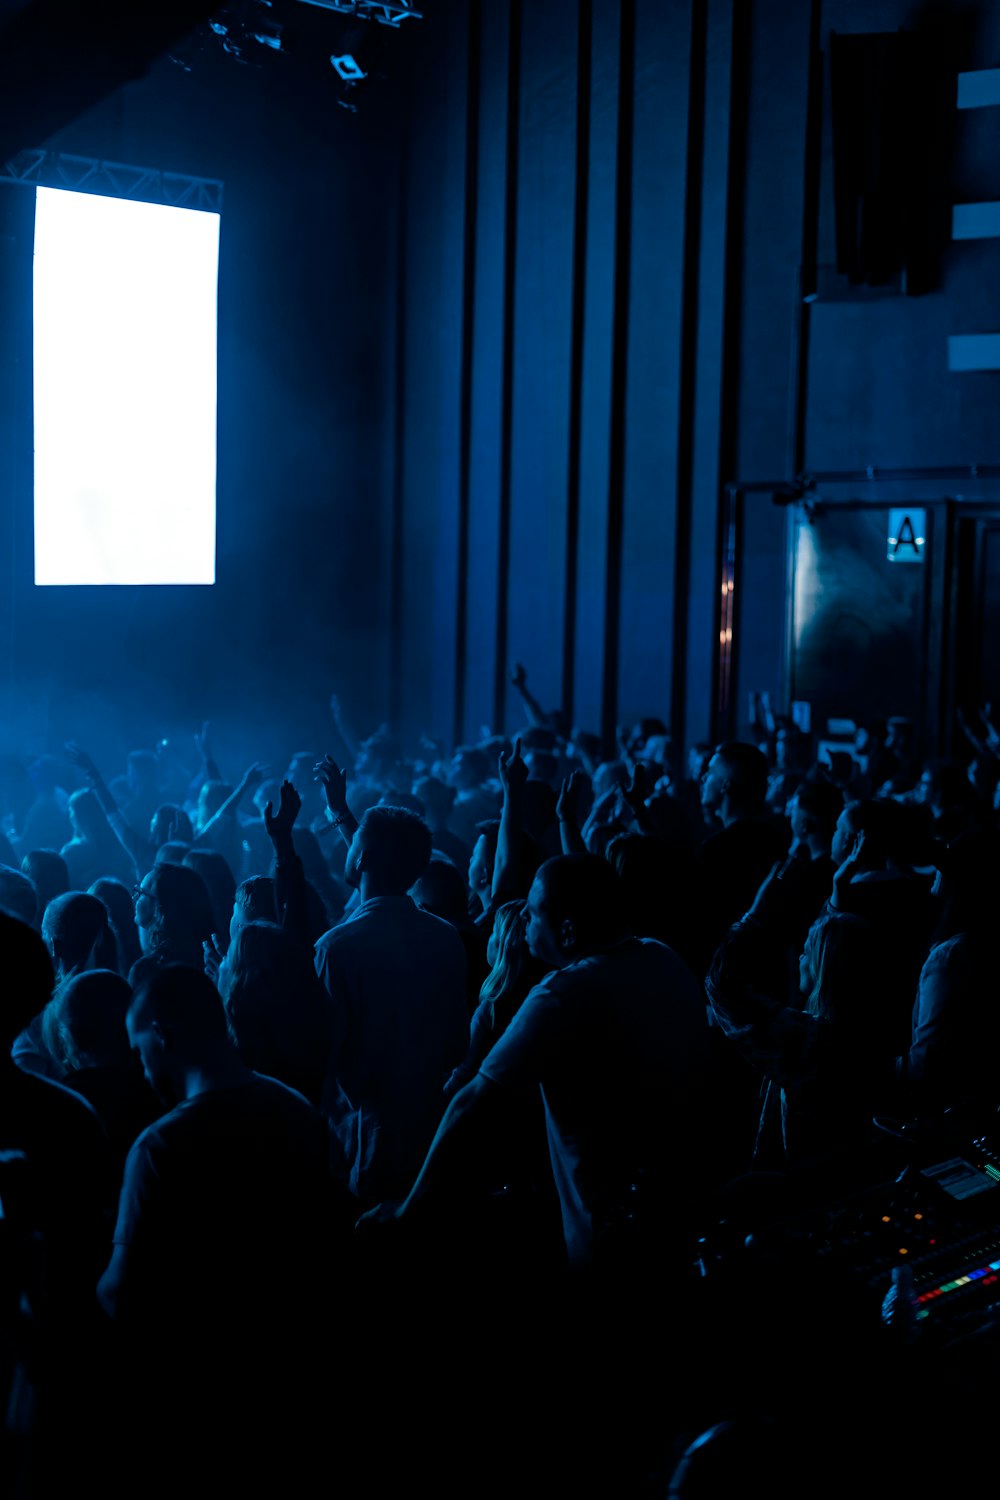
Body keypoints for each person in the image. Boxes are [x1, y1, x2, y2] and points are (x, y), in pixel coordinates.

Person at [97, 964, 346, 1492]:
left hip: (201, 1395)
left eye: (140, 1051)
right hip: (299, 1379)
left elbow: (123, 1293)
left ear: (162, 1035)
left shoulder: (160, 1147)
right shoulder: (296, 1111)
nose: (143, 1070)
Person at [312, 755, 469, 1206]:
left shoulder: (335, 948)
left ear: (359, 855)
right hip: (433, 1133)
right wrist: (344, 814)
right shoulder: (444, 937)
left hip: (362, 1140)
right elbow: (458, 1044)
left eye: (353, 842)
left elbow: (324, 1063)